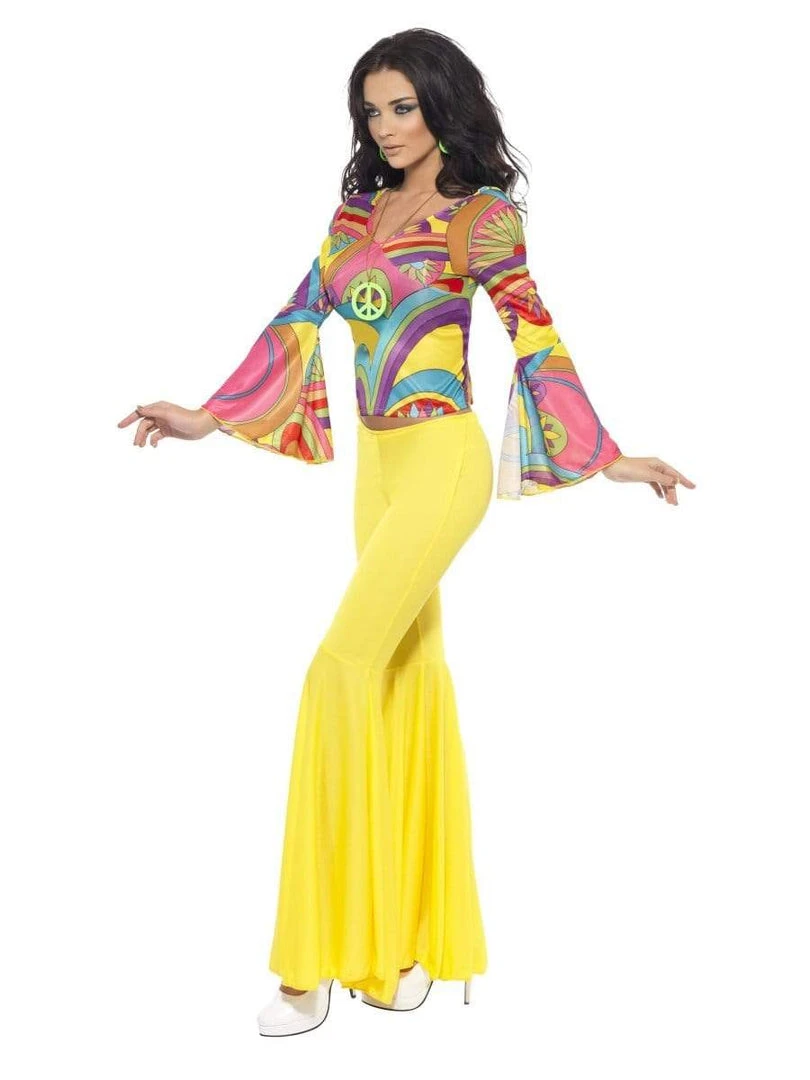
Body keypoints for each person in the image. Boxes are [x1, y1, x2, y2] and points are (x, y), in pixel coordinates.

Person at [118, 28, 695, 1038]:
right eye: (371, 110)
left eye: (402, 107)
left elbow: (534, 334)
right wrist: (207, 417)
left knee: (336, 668)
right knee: (399, 676)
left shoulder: (482, 219)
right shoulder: (357, 213)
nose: (385, 127)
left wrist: (606, 457)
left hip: (442, 464)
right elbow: (299, 316)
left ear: (441, 105)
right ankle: (405, 948)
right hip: (376, 470)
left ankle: (313, 966)